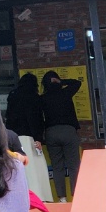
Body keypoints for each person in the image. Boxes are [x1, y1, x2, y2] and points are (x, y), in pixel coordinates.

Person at [41, 71, 82, 201]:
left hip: (51, 132)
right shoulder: (66, 93)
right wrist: (62, 82)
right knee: (74, 166)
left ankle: (62, 198)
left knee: (57, 167)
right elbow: (77, 83)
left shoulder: (43, 98)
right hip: (68, 131)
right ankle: (76, 196)